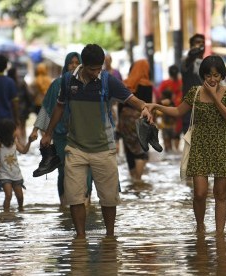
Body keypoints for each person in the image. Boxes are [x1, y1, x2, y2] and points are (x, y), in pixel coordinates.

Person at [40, 44, 153, 239]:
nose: (95, 73)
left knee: (109, 199)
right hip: (75, 147)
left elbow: (131, 98)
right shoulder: (68, 81)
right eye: (92, 69)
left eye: (98, 68)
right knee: (75, 198)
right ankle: (81, 239)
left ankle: (110, 237)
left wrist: (144, 107)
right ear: (83, 65)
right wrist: (48, 133)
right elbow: (59, 107)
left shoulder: (108, 81)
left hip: (104, 149)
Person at [146, 55, 226, 234]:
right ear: (203, 76)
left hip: (222, 145)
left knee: (220, 194)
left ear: (222, 76)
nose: (212, 79)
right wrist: (156, 106)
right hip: (199, 145)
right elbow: (177, 111)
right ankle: (200, 227)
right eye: (208, 76)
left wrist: (214, 97)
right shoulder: (195, 92)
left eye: (216, 75)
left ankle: (219, 234)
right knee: (199, 192)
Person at [30, 52, 93, 207]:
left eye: (76, 62)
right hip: (61, 136)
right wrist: (36, 130)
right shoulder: (57, 84)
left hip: (83, 137)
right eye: (70, 62)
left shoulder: (88, 83)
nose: (73, 65)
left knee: (87, 171)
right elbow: (47, 108)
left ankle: (86, 203)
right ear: (66, 65)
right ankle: (64, 205)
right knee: (64, 171)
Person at [117, 59, 153, 182]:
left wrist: (119, 122)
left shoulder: (126, 84)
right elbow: (147, 106)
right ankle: (138, 180)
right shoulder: (147, 85)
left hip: (125, 118)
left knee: (128, 147)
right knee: (141, 147)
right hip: (140, 118)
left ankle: (133, 178)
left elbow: (120, 105)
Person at [0, 119, 35, 211]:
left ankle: (21, 209)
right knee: (8, 195)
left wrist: (29, 142)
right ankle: (6, 213)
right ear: (8, 132)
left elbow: (24, 151)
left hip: (16, 174)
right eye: (15, 130)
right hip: (4, 174)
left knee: (20, 197)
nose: (17, 131)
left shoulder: (14, 143)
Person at [181, 33, 205, 134]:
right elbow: (186, 66)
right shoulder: (186, 61)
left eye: (203, 43)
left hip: (204, 107)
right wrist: (193, 54)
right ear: (192, 45)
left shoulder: (207, 63)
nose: (201, 45)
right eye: (198, 42)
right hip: (190, 107)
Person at [158, 65, 183, 151]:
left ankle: (171, 152)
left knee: (171, 136)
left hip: (172, 113)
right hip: (178, 112)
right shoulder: (181, 82)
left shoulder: (165, 83)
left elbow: (159, 97)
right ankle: (175, 152)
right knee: (176, 135)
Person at [8, 67, 33, 142]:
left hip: (11, 109)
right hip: (23, 108)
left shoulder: (8, 83)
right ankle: (23, 143)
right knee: (22, 126)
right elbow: (28, 95)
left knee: (14, 127)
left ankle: (16, 143)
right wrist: (30, 106)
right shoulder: (22, 82)